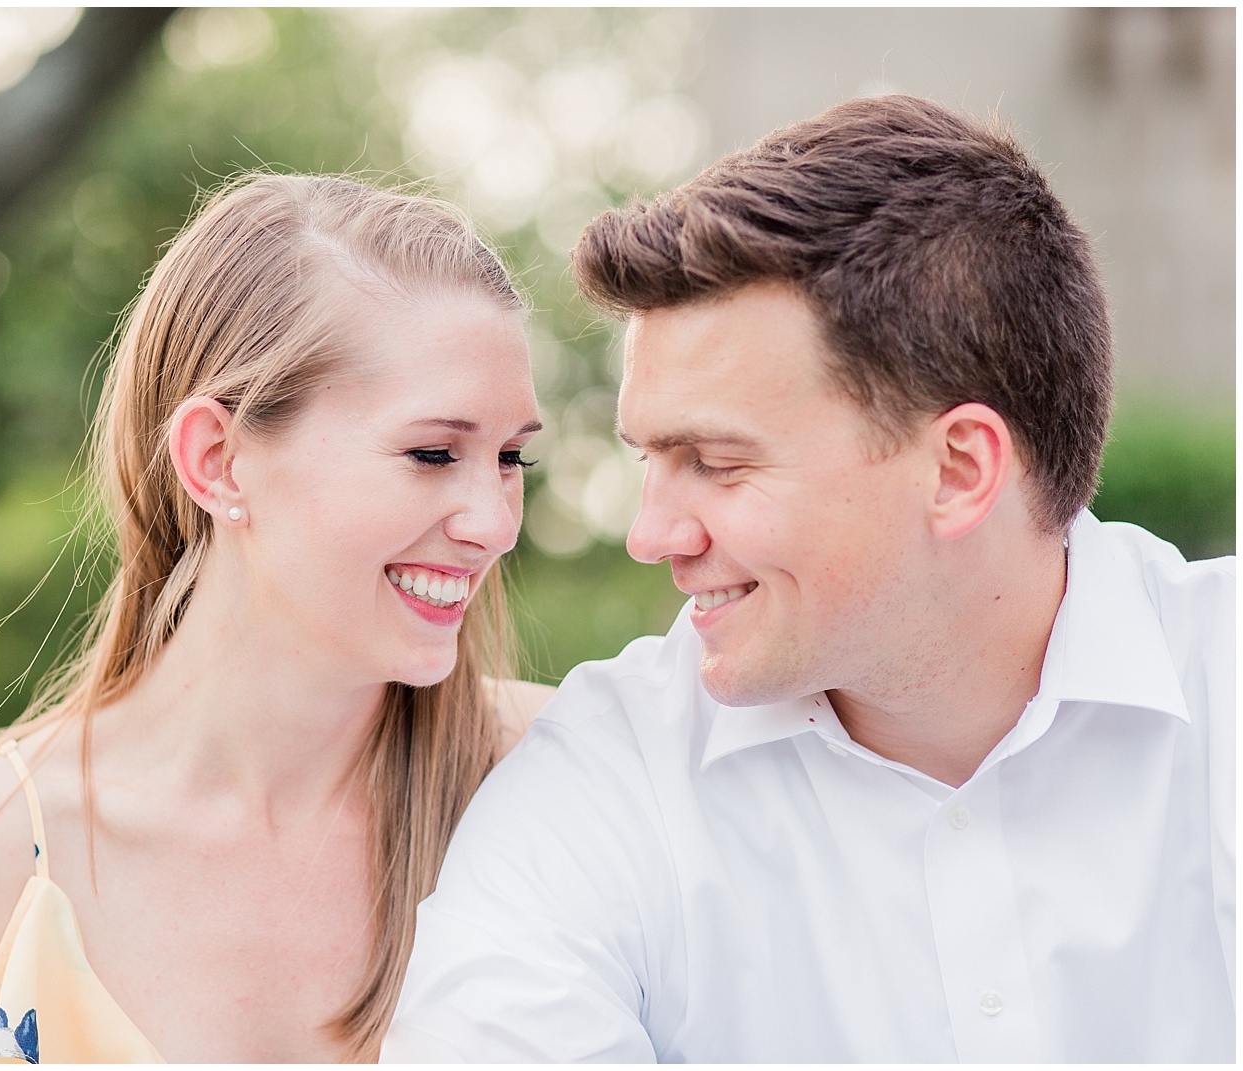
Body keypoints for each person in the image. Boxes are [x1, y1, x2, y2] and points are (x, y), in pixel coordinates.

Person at [382, 95, 1235, 1062]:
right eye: (646, 461)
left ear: (958, 469)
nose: (652, 534)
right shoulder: (607, 785)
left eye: (717, 460)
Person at [0, 173, 553, 1063]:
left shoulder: (556, 777)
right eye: (431, 452)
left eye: (510, 458)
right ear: (217, 459)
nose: (493, 523)